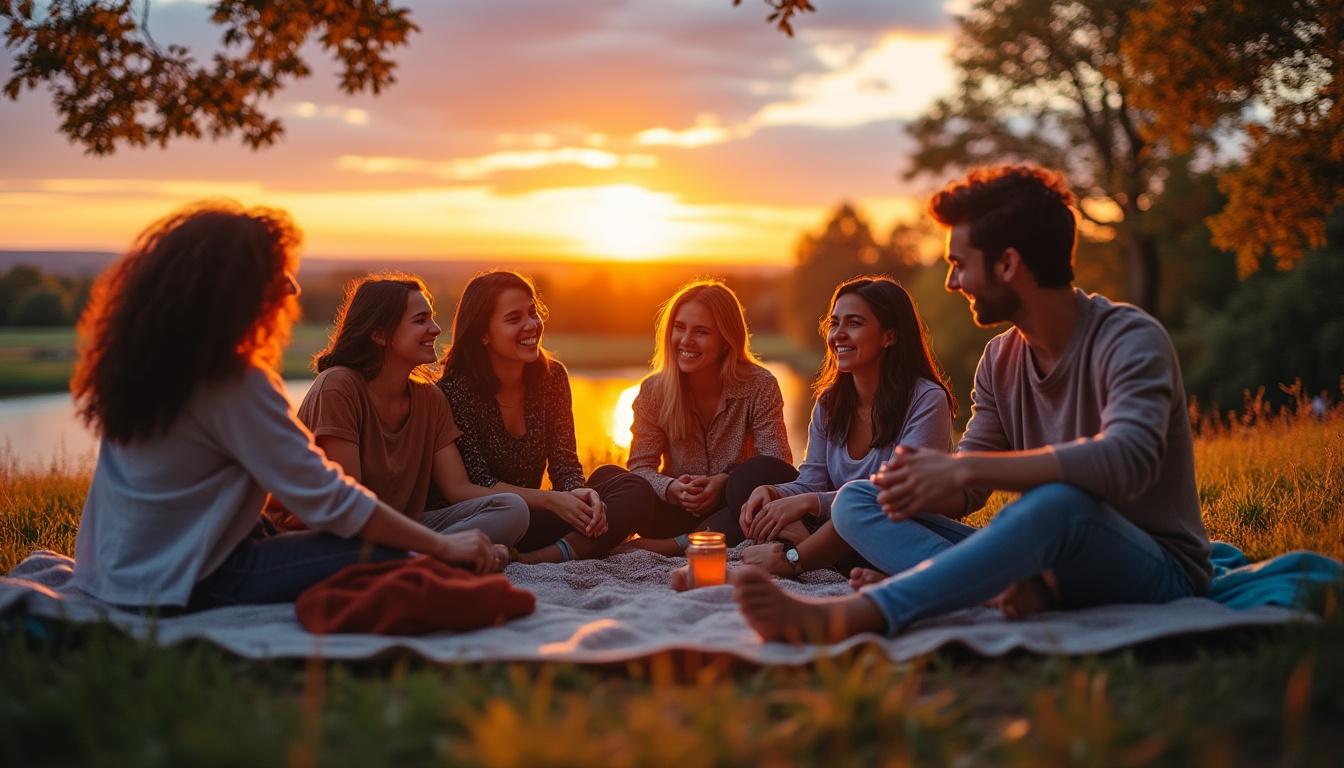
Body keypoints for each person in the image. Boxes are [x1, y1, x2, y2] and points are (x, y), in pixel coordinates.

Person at [732, 164, 1213, 642]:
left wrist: (962, 469)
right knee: (857, 499)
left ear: (1007, 265)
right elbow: (967, 495)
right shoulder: (1000, 359)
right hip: (1045, 558)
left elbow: (1126, 460)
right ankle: (983, 587)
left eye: (960, 264)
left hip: (1157, 567)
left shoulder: (1130, 339)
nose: (951, 281)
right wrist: (909, 487)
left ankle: (858, 613)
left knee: (1059, 502)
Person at [68, 203, 502, 612]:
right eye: (278, 274)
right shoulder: (234, 383)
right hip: (182, 581)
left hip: (108, 572)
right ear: (237, 290)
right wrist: (442, 545)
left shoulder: (153, 367)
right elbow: (331, 499)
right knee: (381, 552)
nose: (292, 287)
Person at [267, 273, 529, 547]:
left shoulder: (430, 399)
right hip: (338, 532)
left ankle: (423, 555)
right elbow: (348, 504)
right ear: (380, 335)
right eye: (420, 320)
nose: (435, 329)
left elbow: (458, 488)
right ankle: (437, 554)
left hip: (403, 528)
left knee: (512, 509)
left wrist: (546, 500)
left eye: (431, 317)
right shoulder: (338, 387)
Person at [738, 276, 955, 577]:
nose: (838, 335)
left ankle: (804, 551)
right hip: (841, 527)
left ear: (889, 336)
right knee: (755, 490)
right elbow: (812, 482)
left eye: (854, 323)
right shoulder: (830, 403)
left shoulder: (927, 399)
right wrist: (773, 493)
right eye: (834, 323)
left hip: (900, 528)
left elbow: (895, 494)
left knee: (852, 506)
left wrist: (809, 503)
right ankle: (819, 549)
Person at [437, 270, 653, 563]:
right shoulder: (455, 389)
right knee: (519, 511)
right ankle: (565, 550)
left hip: (539, 515)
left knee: (627, 485)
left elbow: (564, 464)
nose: (531, 325)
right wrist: (552, 500)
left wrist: (579, 495)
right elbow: (480, 482)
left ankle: (542, 556)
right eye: (513, 319)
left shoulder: (552, 377)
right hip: (493, 520)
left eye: (532, 312)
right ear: (483, 334)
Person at [616, 279, 795, 557]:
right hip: (677, 510)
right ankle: (684, 536)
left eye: (701, 331)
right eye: (679, 328)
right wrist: (673, 488)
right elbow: (641, 467)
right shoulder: (653, 391)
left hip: (733, 509)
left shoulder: (760, 385)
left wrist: (724, 482)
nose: (685, 340)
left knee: (755, 479)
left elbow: (777, 463)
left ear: (726, 341)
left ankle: (679, 545)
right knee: (615, 479)